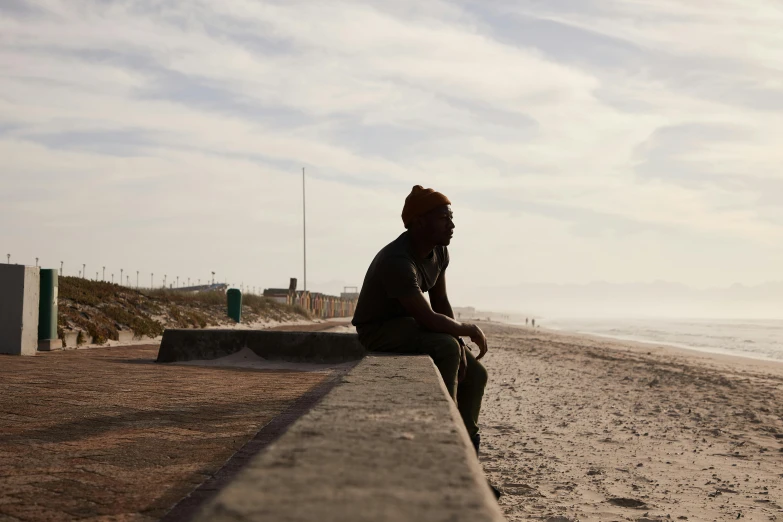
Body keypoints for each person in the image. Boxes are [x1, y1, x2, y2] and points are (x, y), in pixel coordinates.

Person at [352, 185, 489, 455]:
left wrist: (460, 339)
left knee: (477, 374)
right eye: (443, 218)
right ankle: (448, 436)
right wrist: (467, 330)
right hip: (378, 330)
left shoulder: (439, 252)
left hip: (410, 325)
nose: (451, 225)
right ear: (419, 222)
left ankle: (469, 452)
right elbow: (426, 316)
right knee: (446, 348)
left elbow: (440, 303)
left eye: (451, 217)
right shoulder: (397, 260)